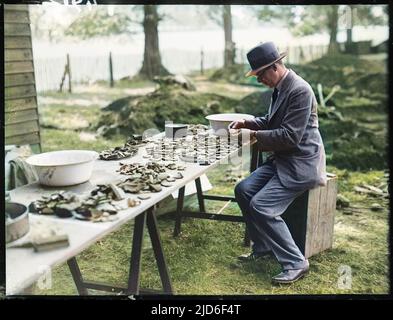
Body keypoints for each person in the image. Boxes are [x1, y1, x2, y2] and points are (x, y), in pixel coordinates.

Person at [230, 42, 327, 284]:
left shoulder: (300, 90)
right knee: (243, 190)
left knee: (262, 207)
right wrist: (248, 123)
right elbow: (273, 121)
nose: (258, 80)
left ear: (274, 67)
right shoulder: (282, 87)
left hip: (300, 165)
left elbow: (290, 136)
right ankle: (262, 248)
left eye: (260, 75)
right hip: (283, 160)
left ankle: (296, 262)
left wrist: (254, 137)